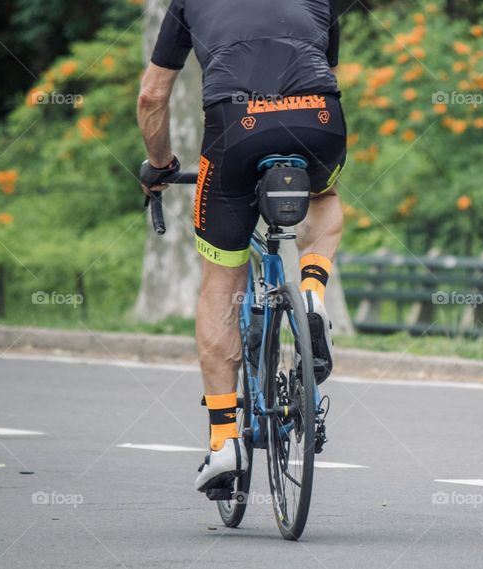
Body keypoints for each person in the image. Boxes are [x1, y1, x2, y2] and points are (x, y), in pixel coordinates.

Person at [136, 0, 345, 494]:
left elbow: (151, 96)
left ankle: (224, 442)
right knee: (324, 195)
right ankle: (312, 292)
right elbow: (326, 71)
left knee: (221, 281)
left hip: (237, 127)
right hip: (319, 116)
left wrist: (161, 164)